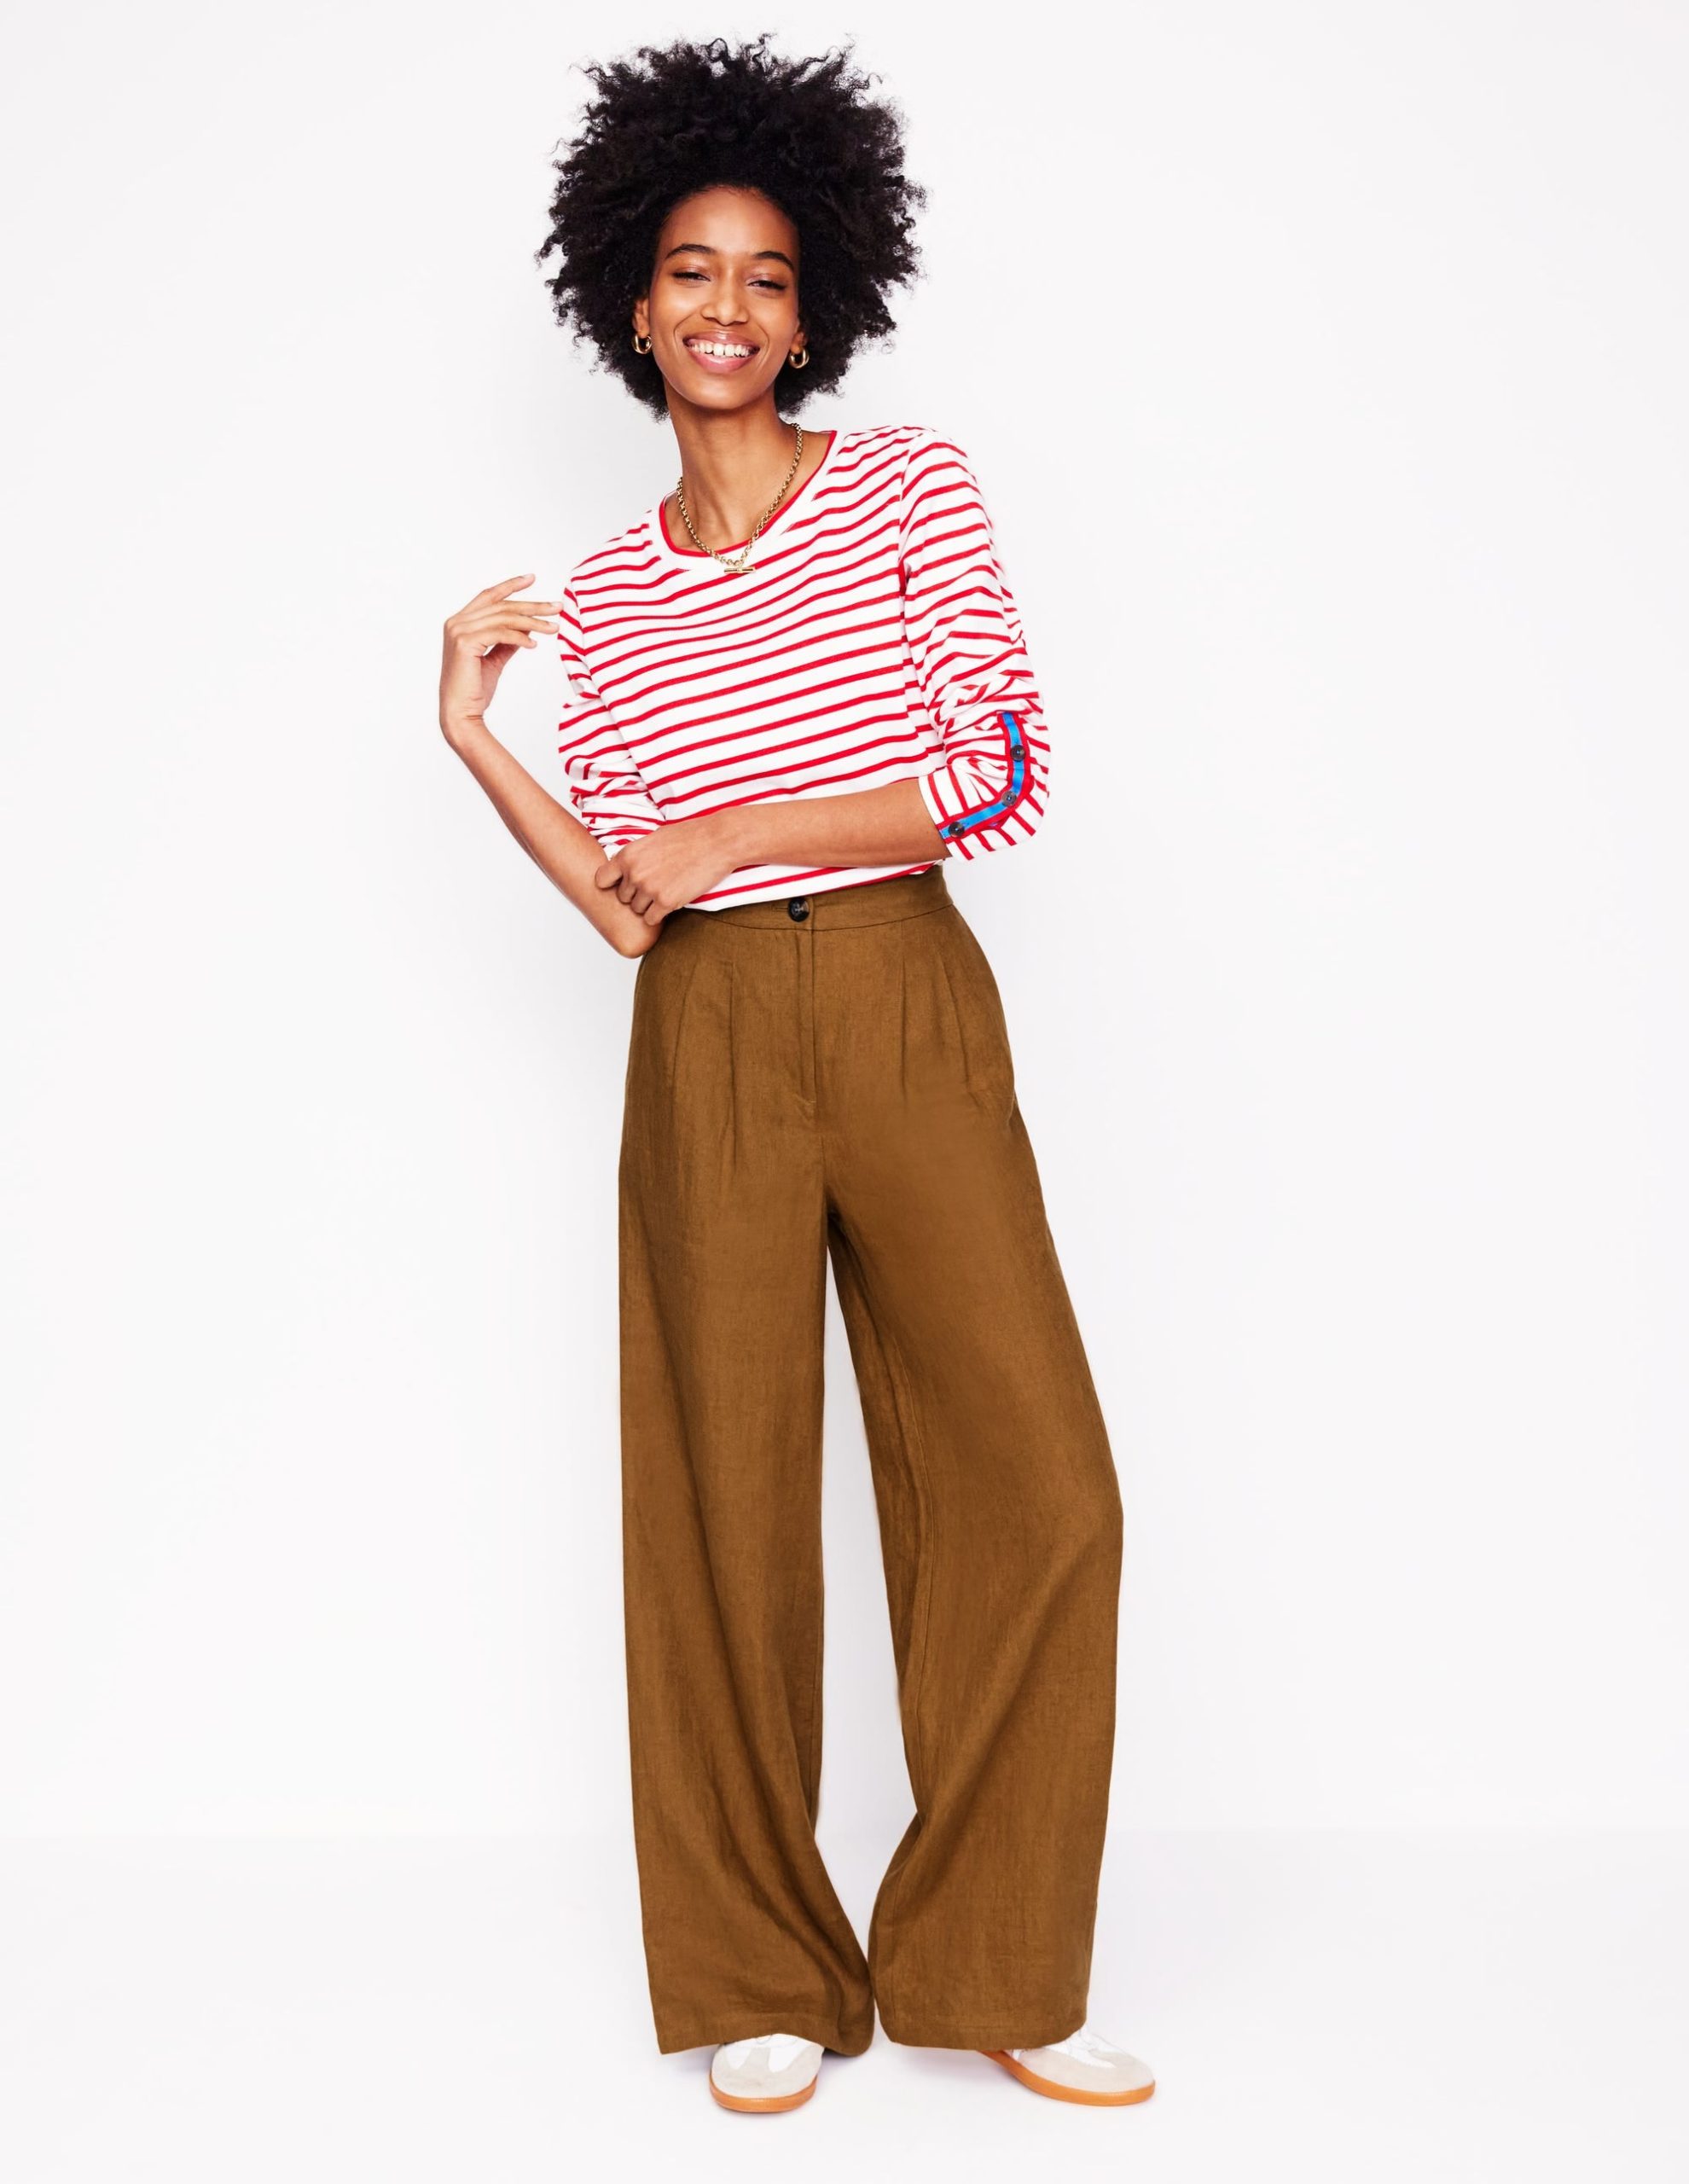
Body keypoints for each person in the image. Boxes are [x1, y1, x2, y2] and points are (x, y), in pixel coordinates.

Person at [438, 33, 1156, 2117]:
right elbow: (628, 899)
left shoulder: (910, 483)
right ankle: (761, 1966)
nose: (727, 307)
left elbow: (995, 773)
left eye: (764, 274)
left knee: (1037, 1478)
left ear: (812, 300)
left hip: (910, 991)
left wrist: (746, 827)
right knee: (721, 1501)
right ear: (630, 302)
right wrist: (477, 738)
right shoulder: (609, 599)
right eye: (691, 270)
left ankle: (992, 1958)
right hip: (711, 1030)